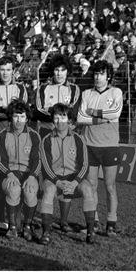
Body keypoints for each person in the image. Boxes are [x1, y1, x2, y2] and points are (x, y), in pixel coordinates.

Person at [39, 103, 96, 245]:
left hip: (73, 178)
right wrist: (57, 182)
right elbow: (46, 166)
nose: (60, 121)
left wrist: (75, 183)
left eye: (63, 117)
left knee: (88, 189)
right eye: (56, 117)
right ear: (52, 119)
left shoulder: (78, 139)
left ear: (69, 120)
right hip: (54, 179)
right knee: (49, 190)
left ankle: (90, 231)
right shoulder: (46, 140)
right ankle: (46, 232)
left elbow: (84, 165)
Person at [77, 60, 123, 237]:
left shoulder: (116, 92)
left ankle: (111, 222)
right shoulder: (86, 93)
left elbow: (116, 114)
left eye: (101, 74)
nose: (98, 77)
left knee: (110, 186)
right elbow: (81, 117)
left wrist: (93, 112)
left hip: (110, 145)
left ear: (108, 76)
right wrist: (103, 117)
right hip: (90, 145)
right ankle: (94, 222)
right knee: (91, 186)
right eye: (96, 74)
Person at [0, 100, 41, 241]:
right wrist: (9, 174)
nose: (19, 120)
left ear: (27, 118)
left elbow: (37, 160)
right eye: (16, 116)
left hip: (29, 173)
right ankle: (12, 227)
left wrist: (33, 176)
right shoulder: (2, 135)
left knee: (30, 191)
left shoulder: (34, 135)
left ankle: (27, 226)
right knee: (14, 190)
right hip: (8, 172)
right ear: (11, 117)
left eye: (22, 117)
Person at [35, 54, 81, 139]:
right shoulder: (43, 88)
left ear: (67, 71)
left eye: (63, 70)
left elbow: (74, 113)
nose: (59, 74)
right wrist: (63, 113)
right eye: (57, 70)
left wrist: (50, 109)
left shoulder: (74, 89)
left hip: (67, 132)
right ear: (53, 71)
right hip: (47, 132)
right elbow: (38, 111)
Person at [0, 56, 28, 132]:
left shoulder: (21, 88)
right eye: (2, 70)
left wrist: (0, 109)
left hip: (17, 132)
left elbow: (22, 111)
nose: (5, 73)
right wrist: (11, 114)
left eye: (8, 70)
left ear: (13, 71)